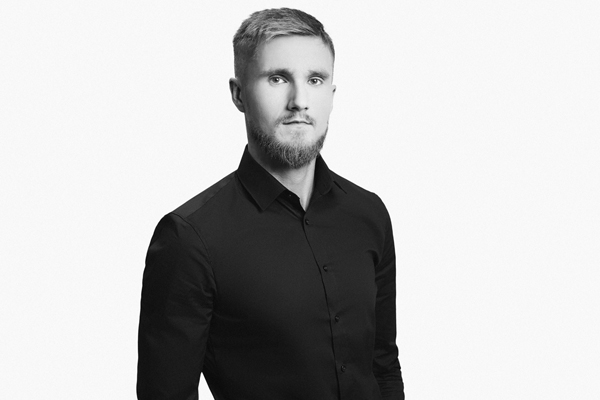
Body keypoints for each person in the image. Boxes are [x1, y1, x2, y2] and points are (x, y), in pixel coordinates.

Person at [137, 7, 405, 400]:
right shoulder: (190, 238)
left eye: (315, 79)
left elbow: (382, 365)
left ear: (331, 95)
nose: (300, 101)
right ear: (239, 94)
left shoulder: (368, 214)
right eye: (277, 78)